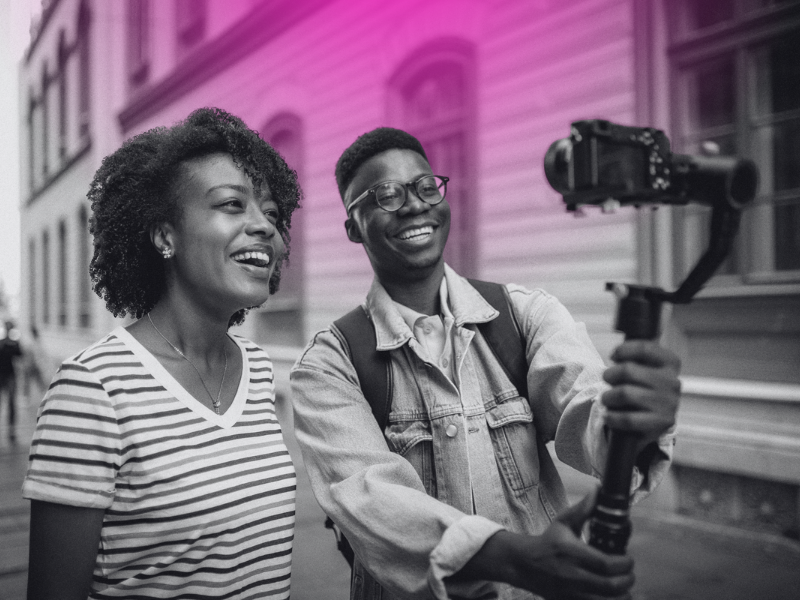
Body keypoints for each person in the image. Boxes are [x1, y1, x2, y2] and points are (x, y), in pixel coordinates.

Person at [290, 127, 681, 600]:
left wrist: (632, 424)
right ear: (354, 227)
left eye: (425, 186)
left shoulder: (524, 315)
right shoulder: (330, 365)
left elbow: (586, 405)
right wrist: (517, 559)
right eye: (385, 195)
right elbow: (370, 500)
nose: (414, 204)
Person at [23, 108, 301, 600]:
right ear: (164, 236)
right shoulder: (93, 389)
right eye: (232, 205)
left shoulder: (257, 369)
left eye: (273, 214)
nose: (264, 227)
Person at [0, 320, 22, 443]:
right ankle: (11, 430)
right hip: (2, 375)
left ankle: (11, 429)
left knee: (12, 404)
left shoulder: (14, 343)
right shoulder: (2, 343)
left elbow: (20, 354)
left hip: (10, 375)